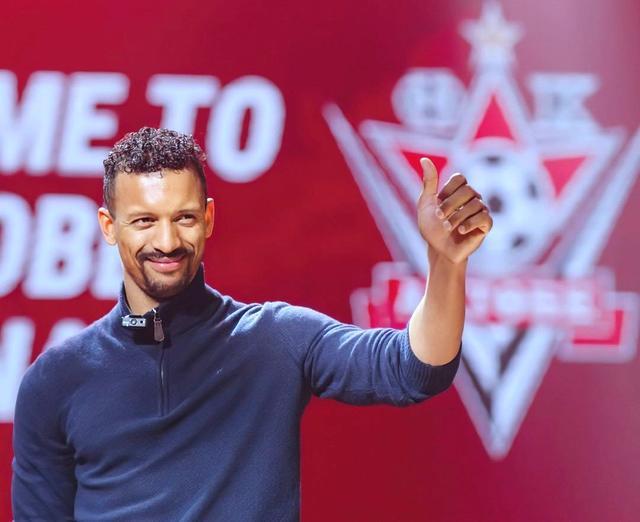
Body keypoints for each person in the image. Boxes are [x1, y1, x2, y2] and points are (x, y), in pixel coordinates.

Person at [11, 127, 492, 520]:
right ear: (108, 226)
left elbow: (415, 368)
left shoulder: (276, 338)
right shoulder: (55, 381)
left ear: (209, 218)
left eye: (184, 218)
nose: (167, 241)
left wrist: (446, 266)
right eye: (144, 221)